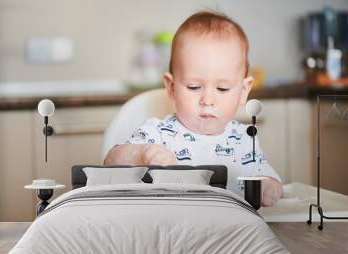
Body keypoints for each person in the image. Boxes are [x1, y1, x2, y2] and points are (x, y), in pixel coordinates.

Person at [104, 11, 283, 207]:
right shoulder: (160, 133)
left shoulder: (245, 140)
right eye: (194, 87)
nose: (207, 100)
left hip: (231, 232)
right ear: (171, 87)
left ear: (243, 91)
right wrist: (142, 154)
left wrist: (269, 187)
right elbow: (110, 161)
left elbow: (269, 178)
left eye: (222, 88)